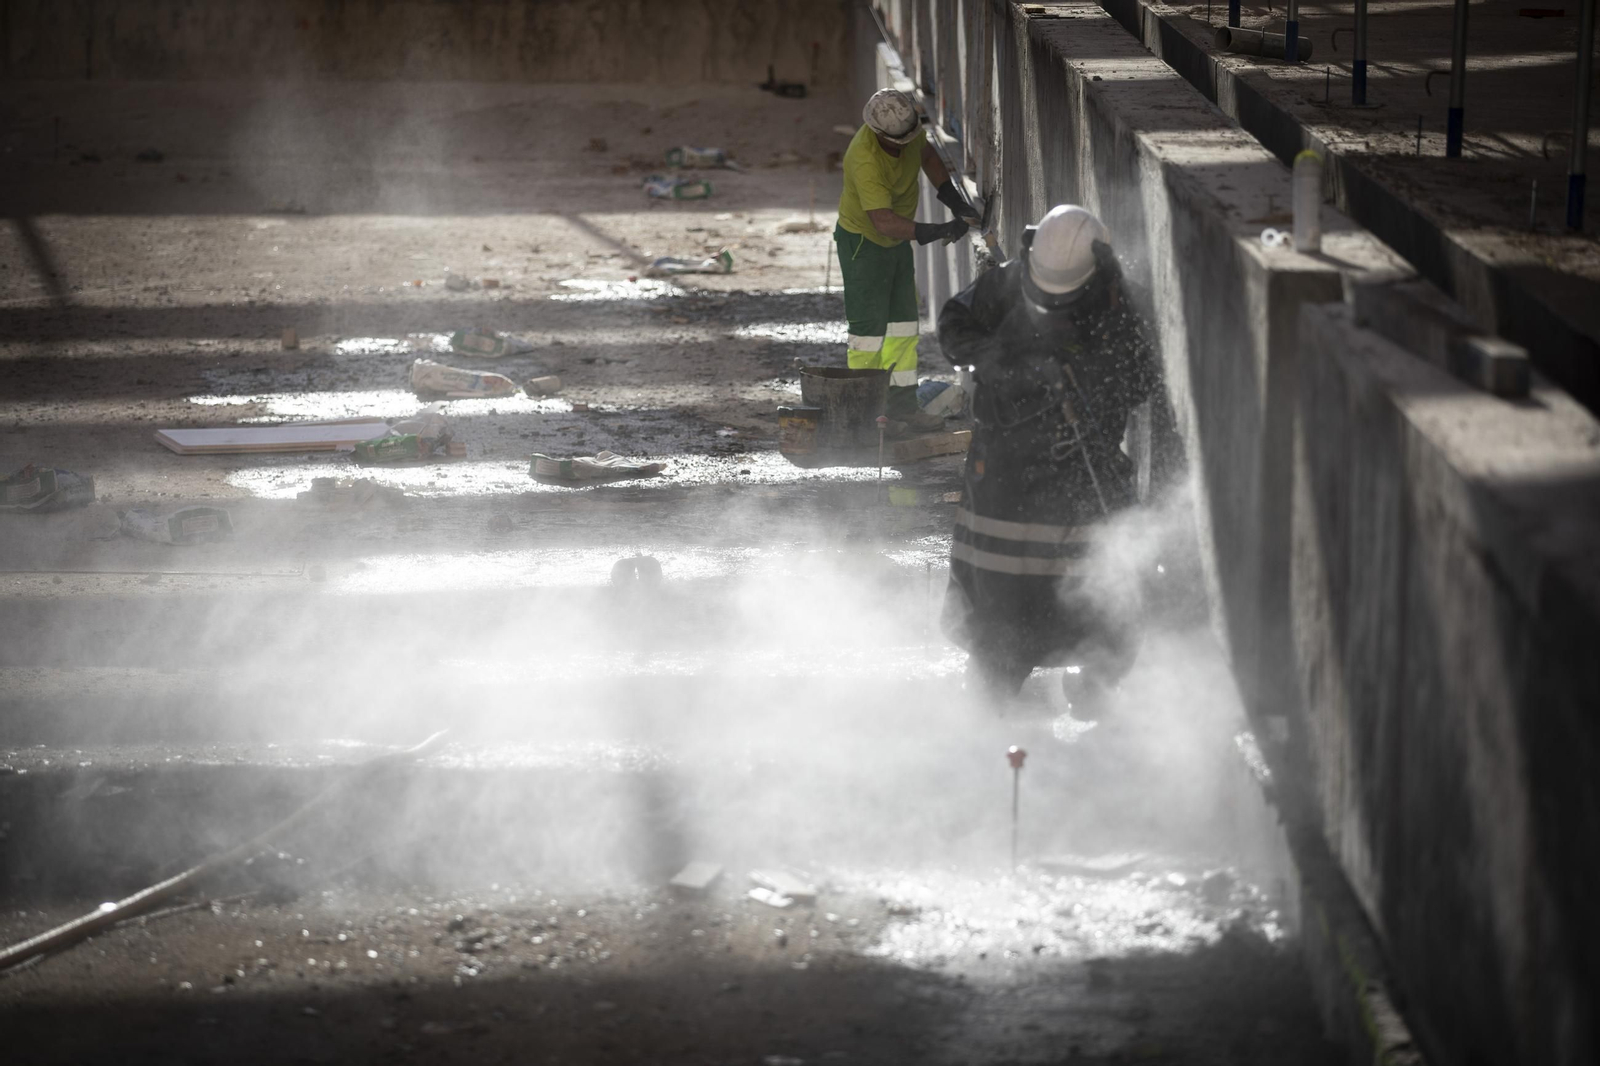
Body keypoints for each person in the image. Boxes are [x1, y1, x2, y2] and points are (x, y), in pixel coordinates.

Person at [936, 204, 1159, 711]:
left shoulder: (1116, 300)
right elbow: (956, 321)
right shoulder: (1010, 280)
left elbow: (1141, 374)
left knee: (1102, 586)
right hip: (1003, 471)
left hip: (1082, 469)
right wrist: (994, 359)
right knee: (998, 597)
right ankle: (992, 699)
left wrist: (1087, 384)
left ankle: (1097, 684)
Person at [837, 88, 978, 433]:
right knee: (868, 335)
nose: (905, 145)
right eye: (898, 143)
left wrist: (953, 199)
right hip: (864, 244)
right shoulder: (865, 158)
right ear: (880, 134)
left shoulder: (907, 130)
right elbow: (882, 221)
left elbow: (927, 155)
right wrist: (937, 230)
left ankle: (902, 408)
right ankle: (865, 417)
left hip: (897, 242)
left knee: (902, 329)